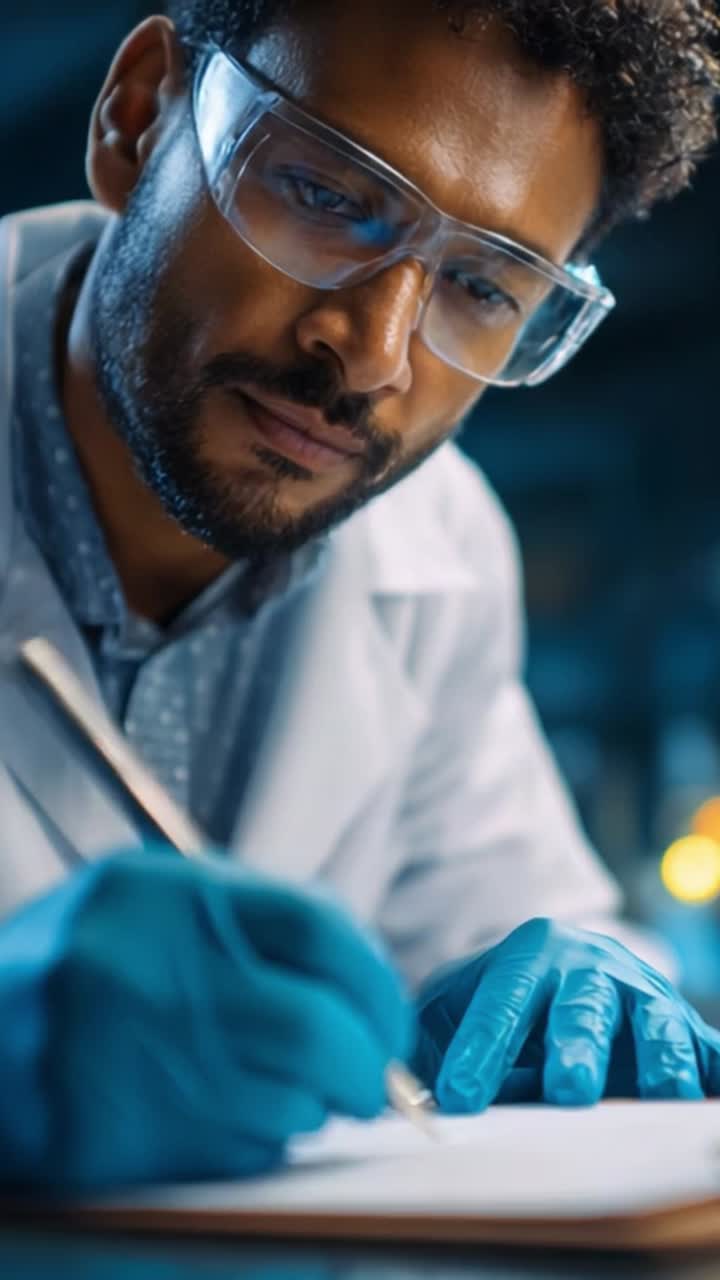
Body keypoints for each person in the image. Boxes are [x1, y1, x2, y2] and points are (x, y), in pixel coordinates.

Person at [0, 0, 718, 1193]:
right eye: (329, 197)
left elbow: (514, 934)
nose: (377, 353)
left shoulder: (438, 551)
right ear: (138, 122)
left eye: (485, 288)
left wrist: (597, 974)